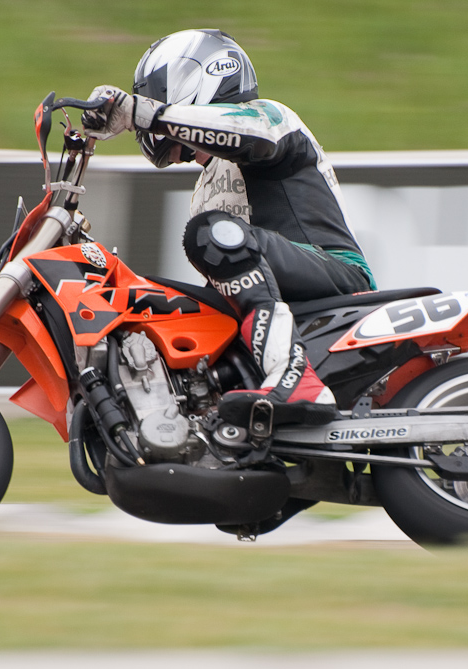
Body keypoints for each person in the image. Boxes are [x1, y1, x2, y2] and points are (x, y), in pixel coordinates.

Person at [82, 29, 375, 428]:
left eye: (157, 96)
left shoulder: (271, 117)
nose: (178, 152)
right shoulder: (204, 188)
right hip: (278, 301)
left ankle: (297, 379)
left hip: (336, 276)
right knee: (154, 295)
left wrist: (143, 113)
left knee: (210, 233)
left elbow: (246, 136)